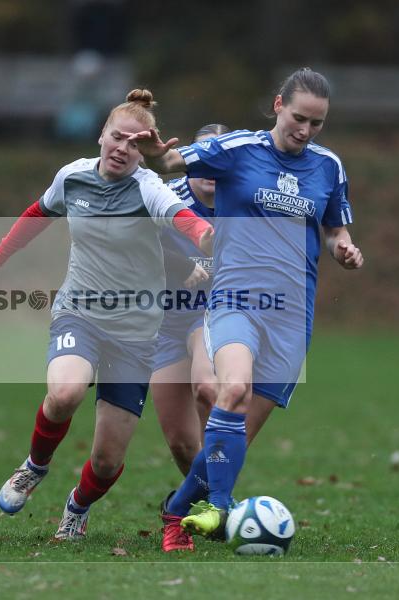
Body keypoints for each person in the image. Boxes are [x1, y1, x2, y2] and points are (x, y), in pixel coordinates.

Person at [0, 89, 213, 540]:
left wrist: (207, 237)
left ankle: (77, 506)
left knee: (107, 460)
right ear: (102, 134)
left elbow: (182, 218)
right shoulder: (73, 176)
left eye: (135, 144)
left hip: (136, 334)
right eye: (117, 137)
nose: (122, 148)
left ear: (144, 152)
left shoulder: (148, 188)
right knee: (65, 393)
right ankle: (34, 466)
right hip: (80, 313)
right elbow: (38, 213)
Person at [128, 68, 364, 545]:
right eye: (299, 118)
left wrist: (344, 248)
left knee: (232, 436)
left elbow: (335, 228)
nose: (306, 130)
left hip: (291, 315)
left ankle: (177, 509)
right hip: (235, 300)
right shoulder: (237, 149)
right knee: (231, 390)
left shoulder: (328, 167)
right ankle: (219, 508)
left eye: (317, 123)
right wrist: (154, 154)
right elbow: (171, 161)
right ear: (278, 106)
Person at [151, 124, 229, 551]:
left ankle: (219, 503)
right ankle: (207, 504)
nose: (210, 169)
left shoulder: (244, 201)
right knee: (182, 443)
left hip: (212, 315)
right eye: (202, 158)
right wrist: (179, 268)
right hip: (163, 322)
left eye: (218, 160)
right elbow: (134, 247)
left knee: (207, 389)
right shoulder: (166, 197)